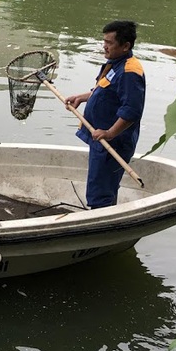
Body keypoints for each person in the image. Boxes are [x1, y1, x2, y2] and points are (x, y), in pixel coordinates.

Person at [65, 20, 146, 209]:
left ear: (126, 46)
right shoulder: (115, 64)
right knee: (100, 185)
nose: (104, 46)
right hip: (100, 138)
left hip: (113, 142)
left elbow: (132, 110)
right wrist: (82, 97)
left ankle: (102, 223)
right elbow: (104, 90)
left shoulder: (130, 71)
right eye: (104, 41)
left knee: (100, 191)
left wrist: (110, 133)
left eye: (109, 42)